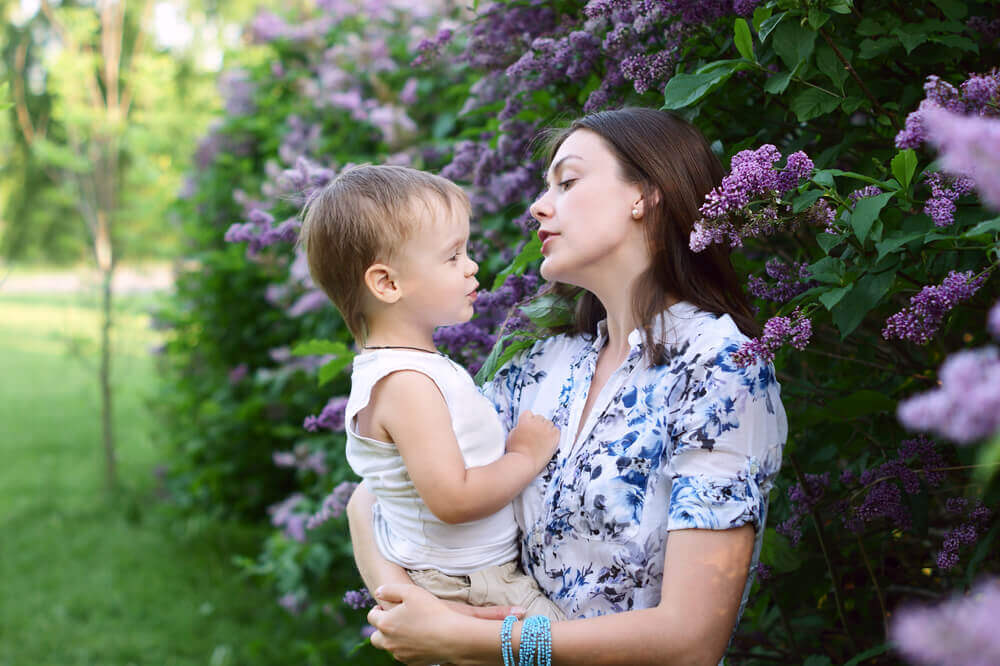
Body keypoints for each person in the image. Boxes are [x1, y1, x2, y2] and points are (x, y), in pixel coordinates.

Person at [347, 107, 788, 665]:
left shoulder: (721, 368)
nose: (539, 205)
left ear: (645, 195)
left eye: (568, 181)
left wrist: (473, 640)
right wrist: (408, 609)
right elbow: (379, 493)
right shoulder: (543, 366)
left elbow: (691, 642)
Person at [298, 164, 566, 620]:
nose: (472, 266)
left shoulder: (407, 370)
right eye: (453, 256)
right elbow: (453, 500)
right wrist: (525, 456)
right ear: (387, 284)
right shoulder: (406, 384)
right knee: (561, 644)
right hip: (469, 585)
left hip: (463, 577)